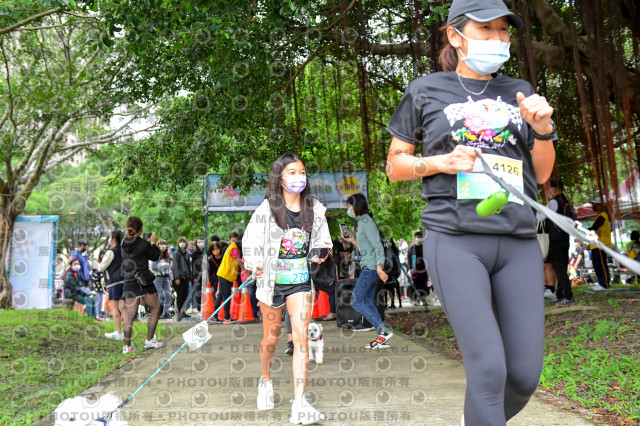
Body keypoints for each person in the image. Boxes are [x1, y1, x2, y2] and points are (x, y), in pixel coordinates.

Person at [385, 0, 557, 423]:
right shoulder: (425, 90)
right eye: (486, 30)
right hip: (456, 239)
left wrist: (543, 131)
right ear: (454, 35)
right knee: (489, 368)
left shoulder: (521, 91)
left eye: (504, 31)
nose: (498, 39)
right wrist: (439, 162)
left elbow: (541, 171)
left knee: (522, 375)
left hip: (517, 239)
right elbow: (394, 166)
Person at [242, 153, 332, 423]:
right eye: (292, 172)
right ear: (279, 177)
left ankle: (300, 404)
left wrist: (320, 251)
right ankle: (265, 380)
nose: (298, 177)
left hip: (301, 282)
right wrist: (254, 261)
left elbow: (323, 241)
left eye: (302, 172)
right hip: (271, 282)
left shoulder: (314, 208)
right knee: (271, 338)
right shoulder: (267, 208)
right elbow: (251, 241)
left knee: (301, 338)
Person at [342, 193, 392, 348]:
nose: (349, 209)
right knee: (367, 301)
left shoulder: (366, 221)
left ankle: (383, 329)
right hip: (369, 265)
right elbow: (366, 249)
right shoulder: (361, 222)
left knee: (355, 300)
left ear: (356, 206)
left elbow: (378, 246)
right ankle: (381, 335)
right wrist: (353, 241)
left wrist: (379, 268)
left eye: (350, 206)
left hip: (371, 268)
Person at [120, 216, 164, 353]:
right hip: (144, 280)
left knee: (129, 314)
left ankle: (127, 346)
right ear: (140, 229)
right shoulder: (143, 244)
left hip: (129, 281)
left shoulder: (123, 244)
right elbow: (155, 256)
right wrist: (152, 242)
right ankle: (150, 340)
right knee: (155, 309)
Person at [545, 180, 575, 304]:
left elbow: (540, 216)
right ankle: (560, 295)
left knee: (559, 269)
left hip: (555, 239)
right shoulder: (567, 203)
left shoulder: (553, 202)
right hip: (565, 238)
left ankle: (568, 295)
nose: (548, 192)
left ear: (555, 189)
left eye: (550, 189)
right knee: (562, 268)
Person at [94, 230, 126, 339]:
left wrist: (93, 263)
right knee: (123, 308)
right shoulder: (124, 250)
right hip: (124, 281)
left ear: (113, 239)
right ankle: (127, 332)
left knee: (114, 308)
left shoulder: (110, 252)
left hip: (114, 283)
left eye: (110, 237)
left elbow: (101, 267)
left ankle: (118, 332)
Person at [216, 232, 244, 324]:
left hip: (224, 274)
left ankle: (215, 316)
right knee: (226, 297)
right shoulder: (234, 247)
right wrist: (247, 273)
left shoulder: (233, 247)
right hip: (225, 275)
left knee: (221, 296)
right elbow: (239, 261)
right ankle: (226, 317)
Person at [588, 197, 612, 289]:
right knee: (596, 264)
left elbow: (595, 226)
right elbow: (594, 228)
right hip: (595, 245)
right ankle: (600, 283)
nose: (593, 206)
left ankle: (605, 284)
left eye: (595, 205)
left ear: (600, 205)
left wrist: (587, 230)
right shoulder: (598, 216)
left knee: (601, 264)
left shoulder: (603, 215)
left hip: (601, 244)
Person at [407, 231, 429, 306]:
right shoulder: (411, 248)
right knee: (416, 286)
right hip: (415, 271)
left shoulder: (425, 247)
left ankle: (424, 300)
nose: (419, 239)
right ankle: (416, 300)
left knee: (424, 285)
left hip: (424, 270)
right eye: (418, 237)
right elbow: (408, 259)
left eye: (420, 237)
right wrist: (411, 268)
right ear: (415, 238)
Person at [171, 236, 192, 317]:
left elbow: (188, 265)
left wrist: (189, 277)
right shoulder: (176, 253)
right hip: (179, 277)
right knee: (180, 294)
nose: (182, 243)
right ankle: (179, 311)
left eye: (183, 242)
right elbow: (175, 266)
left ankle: (184, 311)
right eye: (180, 242)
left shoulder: (187, 253)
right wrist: (176, 277)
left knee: (185, 294)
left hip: (186, 277)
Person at [151, 239, 172, 319]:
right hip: (158, 277)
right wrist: (161, 266)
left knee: (168, 295)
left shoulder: (167, 255)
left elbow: (169, 268)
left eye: (164, 244)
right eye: (161, 244)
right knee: (157, 296)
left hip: (165, 277)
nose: (162, 246)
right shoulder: (156, 255)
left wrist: (170, 278)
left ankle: (165, 312)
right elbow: (153, 267)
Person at [207, 241, 224, 322]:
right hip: (215, 281)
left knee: (224, 297)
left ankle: (225, 315)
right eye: (213, 250)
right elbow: (210, 273)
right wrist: (211, 285)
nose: (215, 251)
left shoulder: (224, 257)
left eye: (217, 249)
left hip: (224, 279)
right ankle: (215, 315)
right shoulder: (211, 260)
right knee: (217, 298)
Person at [384, 238, 402, 309]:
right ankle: (385, 303)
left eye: (389, 241)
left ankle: (393, 303)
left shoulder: (395, 251)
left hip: (393, 271)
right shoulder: (384, 250)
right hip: (386, 270)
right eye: (387, 241)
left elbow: (397, 261)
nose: (388, 243)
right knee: (385, 287)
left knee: (392, 287)